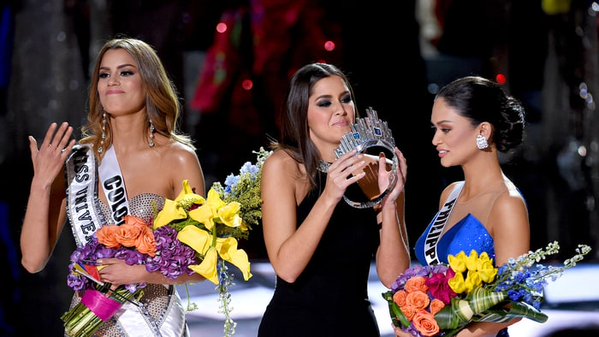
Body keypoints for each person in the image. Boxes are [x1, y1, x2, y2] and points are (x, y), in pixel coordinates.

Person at [19, 38, 205, 336]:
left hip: (152, 321)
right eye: (104, 74)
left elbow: (202, 264)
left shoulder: (178, 158)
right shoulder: (78, 160)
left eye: (126, 72)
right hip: (91, 321)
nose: (112, 81)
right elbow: (32, 261)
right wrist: (40, 184)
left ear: (149, 83)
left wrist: (141, 272)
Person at [257, 62, 410, 337]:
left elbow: (395, 277)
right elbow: (287, 269)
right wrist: (329, 197)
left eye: (346, 99)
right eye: (325, 103)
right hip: (295, 326)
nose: (340, 110)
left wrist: (390, 200)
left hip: (356, 325)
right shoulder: (285, 167)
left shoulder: (378, 169)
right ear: (302, 113)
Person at [401, 76, 530, 337]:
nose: (435, 139)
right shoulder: (450, 194)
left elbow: (515, 302)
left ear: (483, 131)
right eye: (434, 129)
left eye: (445, 129)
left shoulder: (507, 204)